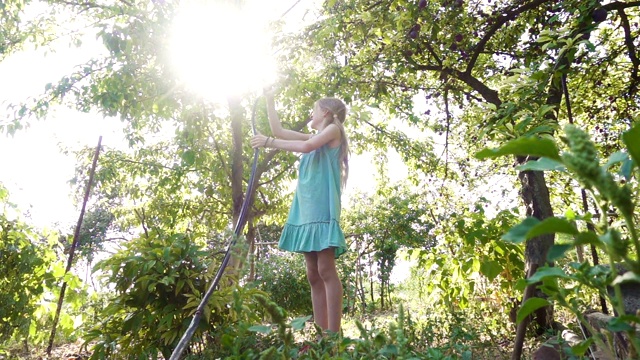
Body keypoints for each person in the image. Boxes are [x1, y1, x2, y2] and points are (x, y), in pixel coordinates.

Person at [250, 92, 350, 334]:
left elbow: (305, 146)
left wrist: (268, 143)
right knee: (313, 273)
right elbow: (279, 131)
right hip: (304, 209)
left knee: (326, 268)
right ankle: (321, 334)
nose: (311, 114)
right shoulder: (316, 135)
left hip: (322, 207)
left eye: (314, 109)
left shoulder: (333, 131)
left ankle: (334, 338)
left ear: (325, 113)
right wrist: (270, 100)